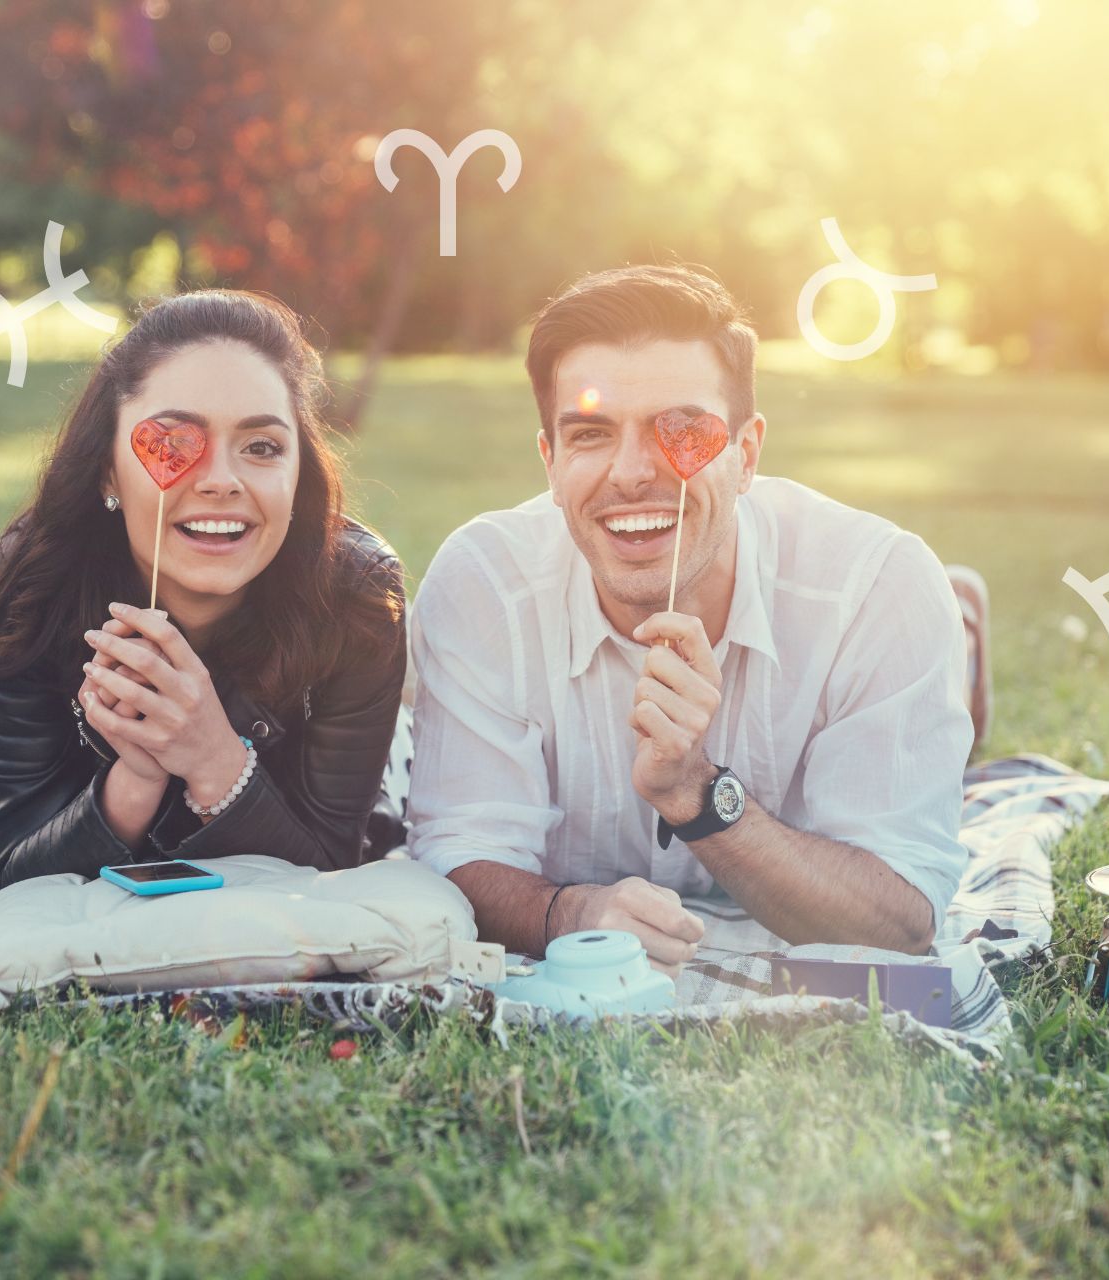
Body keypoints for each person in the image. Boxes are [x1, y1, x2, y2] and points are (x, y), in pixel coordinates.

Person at [406, 265, 989, 976]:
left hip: (887, 627)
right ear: (550, 463)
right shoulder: (482, 585)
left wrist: (698, 793)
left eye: (678, 430)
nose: (629, 473)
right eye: (590, 434)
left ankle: (958, 633)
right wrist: (570, 913)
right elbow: (454, 858)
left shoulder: (879, 588)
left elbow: (898, 923)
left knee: (949, 705)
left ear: (746, 456)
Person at [0, 290, 407, 888]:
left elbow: (331, 868)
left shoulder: (357, 594)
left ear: (299, 470)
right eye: (172, 443)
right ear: (108, 467)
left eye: (261, 447)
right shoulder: (36, 586)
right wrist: (137, 774)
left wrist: (213, 757)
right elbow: (19, 868)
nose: (221, 481)